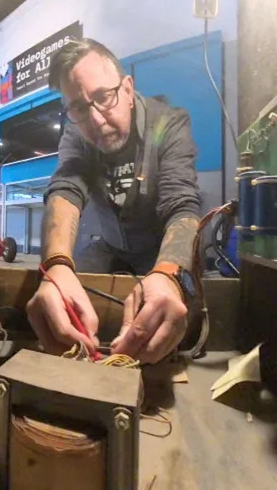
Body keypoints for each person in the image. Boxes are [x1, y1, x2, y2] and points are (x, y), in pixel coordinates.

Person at [26, 38, 203, 364]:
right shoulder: (76, 132)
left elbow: (181, 204)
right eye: (79, 107)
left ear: (127, 88)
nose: (94, 120)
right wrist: (56, 267)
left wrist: (167, 274)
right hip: (109, 245)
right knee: (64, 295)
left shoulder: (169, 122)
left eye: (103, 97)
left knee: (185, 323)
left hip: (157, 249)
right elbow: (66, 187)